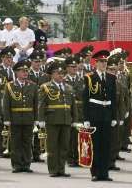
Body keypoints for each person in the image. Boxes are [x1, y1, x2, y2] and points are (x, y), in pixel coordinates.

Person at [38, 60, 78, 177]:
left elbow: (73, 106)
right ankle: (53, 170)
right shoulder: (45, 87)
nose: (61, 75)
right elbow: (41, 105)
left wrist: (75, 120)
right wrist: (41, 120)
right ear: (52, 74)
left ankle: (61, 169)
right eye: (58, 73)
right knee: (53, 146)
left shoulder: (68, 87)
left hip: (66, 120)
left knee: (64, 146)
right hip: (52, 120)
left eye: (62, 73)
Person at [82, 50, 117, 181]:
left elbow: (113, 99)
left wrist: (114, 116)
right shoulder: (89, 77)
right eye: (101, 62)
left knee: (106, 145)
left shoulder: (111, 77)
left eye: (105, 62)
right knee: (95, 145)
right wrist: (86, 118)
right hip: (94, 114)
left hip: (107, 114)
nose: (103, 64)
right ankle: (95, 173)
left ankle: (105, 173)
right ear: (96, 63)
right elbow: (86, 98)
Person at [3, 60, 38, 173]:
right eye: (22, 71)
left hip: (28, 118)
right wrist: (7, 119)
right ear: (16, 73)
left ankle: (26, 164)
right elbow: (6, 104)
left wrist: (36, 119)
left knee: (27, 142)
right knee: (16, 142)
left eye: (26, 71)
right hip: (15, 118)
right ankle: (17, 165)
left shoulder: (32, 86)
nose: (25, 73)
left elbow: (36, 104)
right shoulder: (10, 86)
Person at [64, 55, 85, 167]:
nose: (74, 69)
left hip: (80, 111)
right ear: (67, 68)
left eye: (75, 66)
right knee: (68, 136)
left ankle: (78, 158)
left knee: (78, 136)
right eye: (72, 67)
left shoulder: (82, 80)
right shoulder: (63, 80)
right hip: (68, 110)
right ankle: (69, 158)